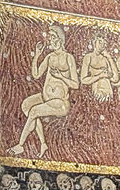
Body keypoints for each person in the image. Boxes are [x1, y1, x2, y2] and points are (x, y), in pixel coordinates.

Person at [11, 23, 79, 157]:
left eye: (53, 37)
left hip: (60, 102)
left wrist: (61, 77)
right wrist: (37, 55)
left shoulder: (68, 58)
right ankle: (43, 143)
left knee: (34, 111)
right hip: (45, 97)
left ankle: (20, 145)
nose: (50, 41)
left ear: (60, 40)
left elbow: (76, 84)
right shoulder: (49, 57)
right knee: (26, 105)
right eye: (50, 38)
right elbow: (36, 75)